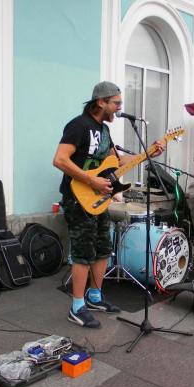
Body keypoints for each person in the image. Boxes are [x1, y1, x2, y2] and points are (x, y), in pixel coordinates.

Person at [53, 81, 164, 328]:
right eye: (116, 103)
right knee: (83, 252)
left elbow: (117, 160)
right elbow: (60, 159)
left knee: (103, 247)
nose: (119, 108)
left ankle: (95, 296)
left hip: (99, 198)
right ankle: (77, 306)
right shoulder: (78, 125)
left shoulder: (103, 129)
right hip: (77, 197)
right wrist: (91, 179)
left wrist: (149, 153)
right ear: (100, 102)